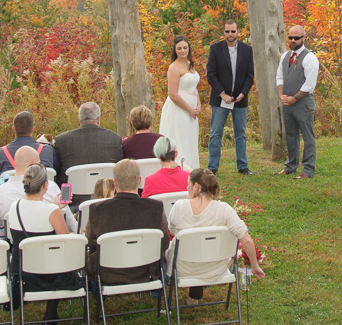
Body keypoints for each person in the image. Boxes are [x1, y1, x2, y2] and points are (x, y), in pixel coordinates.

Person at [167, 168, 265, 306]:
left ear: (196, 187)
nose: (186, 187)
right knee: (205, 250)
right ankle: (194, 295)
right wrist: (254, 266)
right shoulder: (224, 210)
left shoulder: (178, 207)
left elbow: (171, 230)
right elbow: (247, 240)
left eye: (188, 184)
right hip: (214, 269)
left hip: (184, 269)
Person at [6, 164, 80, 325]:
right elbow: (65, 241)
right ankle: (50, 313)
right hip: (50, 275)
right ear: (45, 185)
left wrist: (55, 207)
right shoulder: (51, 211)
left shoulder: (14, 207)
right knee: (63, 255)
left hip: (22, 274)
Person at [84, 159, 170, 286]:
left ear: (115, 183)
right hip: (147, 272)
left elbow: (89, 242)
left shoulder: (97, 209)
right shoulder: (155, 207)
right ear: (139, 180)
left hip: (106, 273)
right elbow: (164, 243)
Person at [206, 19, 255, 175]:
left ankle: (242, 166)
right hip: (220, 99)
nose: (230, 34)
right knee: (215, 133)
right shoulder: (215, 49)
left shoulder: (247, 50)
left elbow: (250, 75)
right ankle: (212, 167)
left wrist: (243, 94)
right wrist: (222, 94)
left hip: (240, 99)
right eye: (227, 31)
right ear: (224, 32)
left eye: (233, 31)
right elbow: (211, 74)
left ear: (238, 31)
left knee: (240, 133)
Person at [276, 24, 318, 179]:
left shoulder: (310, 58)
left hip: (303, 103)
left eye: (296, 37)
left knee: (308, 137)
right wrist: (282, 96)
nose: (293, 40)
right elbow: (279, 77)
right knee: (291, 135)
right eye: (290, 37)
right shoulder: (285, 56)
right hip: (287, 103)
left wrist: (294, 98)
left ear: (304, 38)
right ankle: (291, 166)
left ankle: (307, 169)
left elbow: (309, 85)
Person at [51, 102, 123, 188]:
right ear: (99, 119)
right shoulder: (115, 139)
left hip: (73, 197)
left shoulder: (61, 141)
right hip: (107, 194)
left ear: (79, 119)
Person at [158, 36, 201, 169]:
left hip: (192, 111)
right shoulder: (174, 67)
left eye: (185, 48)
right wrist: (189, 109)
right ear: (175, 50)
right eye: (179, 48)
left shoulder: (189, 65)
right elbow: (173, 94)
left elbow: (194, 88)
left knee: (189, 139)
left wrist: (198, 105)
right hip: (178, 110)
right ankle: (180, 168)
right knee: (180, 139)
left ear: (189, 48)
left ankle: (191, 169)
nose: (182, 51)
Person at [0, 110, 59, 183]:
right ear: (32, 129)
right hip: (42, 193)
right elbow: (57, 173)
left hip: (10, 193)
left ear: (13, 129)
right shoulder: (48, 151)